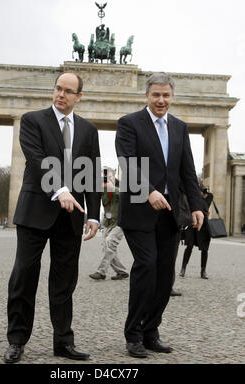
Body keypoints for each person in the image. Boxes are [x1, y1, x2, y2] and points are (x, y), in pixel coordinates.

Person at [4, 72, 101, 363]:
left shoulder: (88, 130)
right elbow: (36, 159)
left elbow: (93, 174)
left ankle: (63, 342)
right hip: (36, 210)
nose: (61, 94)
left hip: (71, 218)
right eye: (58, 88)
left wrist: (94, 216)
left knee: (64, 282)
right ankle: (17, 341)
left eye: (68, 91)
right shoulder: (32, 120)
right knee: (24, 276)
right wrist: (60, 189)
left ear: (78, 97)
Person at [115, 72, 204, 358]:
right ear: (147, 96)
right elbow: (127, 164)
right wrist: (149, 190)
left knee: (165, 276)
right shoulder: (129, 123)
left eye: (166, 95)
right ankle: (134, 334)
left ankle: (151, 331)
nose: (161, 100)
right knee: (147, 265)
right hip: (139, 210)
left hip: (170, 214)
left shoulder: (180, 127)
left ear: (172, 96)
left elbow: (187, 171)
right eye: (156, 95)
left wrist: (197, 205)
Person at [89, 167, 129, 281]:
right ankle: (122, 272)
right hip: (108, 222)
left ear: (114, 176)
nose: (106, 179)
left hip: (120, 222)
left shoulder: (121, 186)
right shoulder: (101, 189)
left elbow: (127, 197)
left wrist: (114, 189)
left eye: (109, 176)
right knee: (107, 247)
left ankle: (101, 272)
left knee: (109, 242)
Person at [179, 187, 213, 279]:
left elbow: (206, 207)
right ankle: (183, 268)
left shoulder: (208, 197)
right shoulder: (190, 197)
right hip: (192, 224)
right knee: (189, 246)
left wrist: (204, 195)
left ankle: (203, 271)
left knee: (204, 248)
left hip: (203, 225)